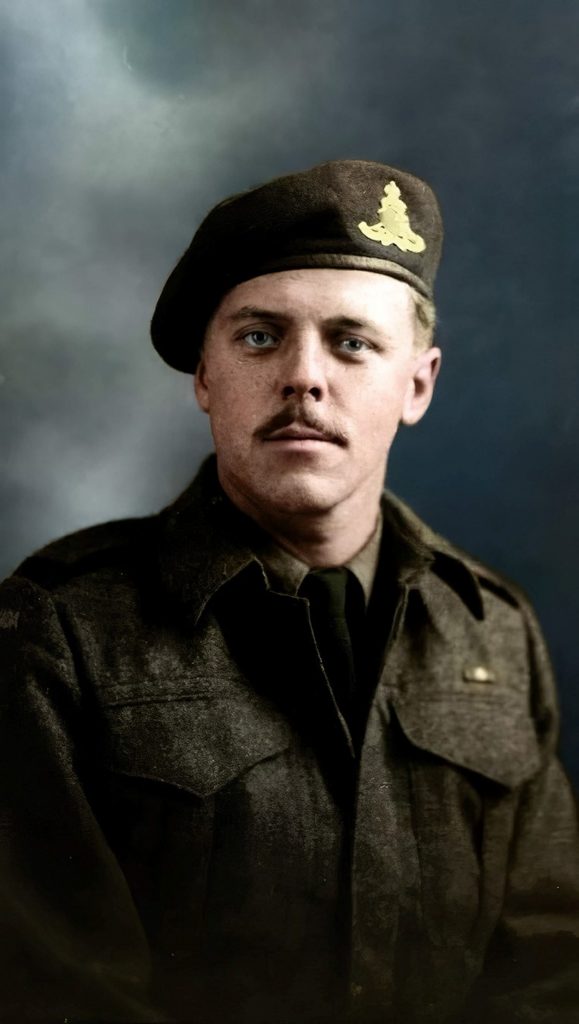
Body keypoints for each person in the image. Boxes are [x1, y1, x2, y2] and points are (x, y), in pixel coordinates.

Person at [1, 159, 578, 1024]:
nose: (304, 376)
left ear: (415, 385)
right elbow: (59, 992)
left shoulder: (488, 631)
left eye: (351, 341)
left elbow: (546, 969)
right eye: (260, 337)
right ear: (204, 377)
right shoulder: (61, 633)